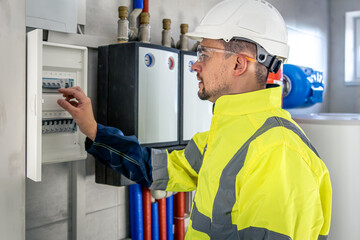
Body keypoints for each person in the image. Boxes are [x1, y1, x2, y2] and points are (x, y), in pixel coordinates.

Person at [57, 0, 332, 239]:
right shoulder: (223, 136)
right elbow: (157, 169)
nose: (194, 64)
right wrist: (93, 130)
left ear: (239, 64)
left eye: (204, 54)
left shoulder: (279, 153)